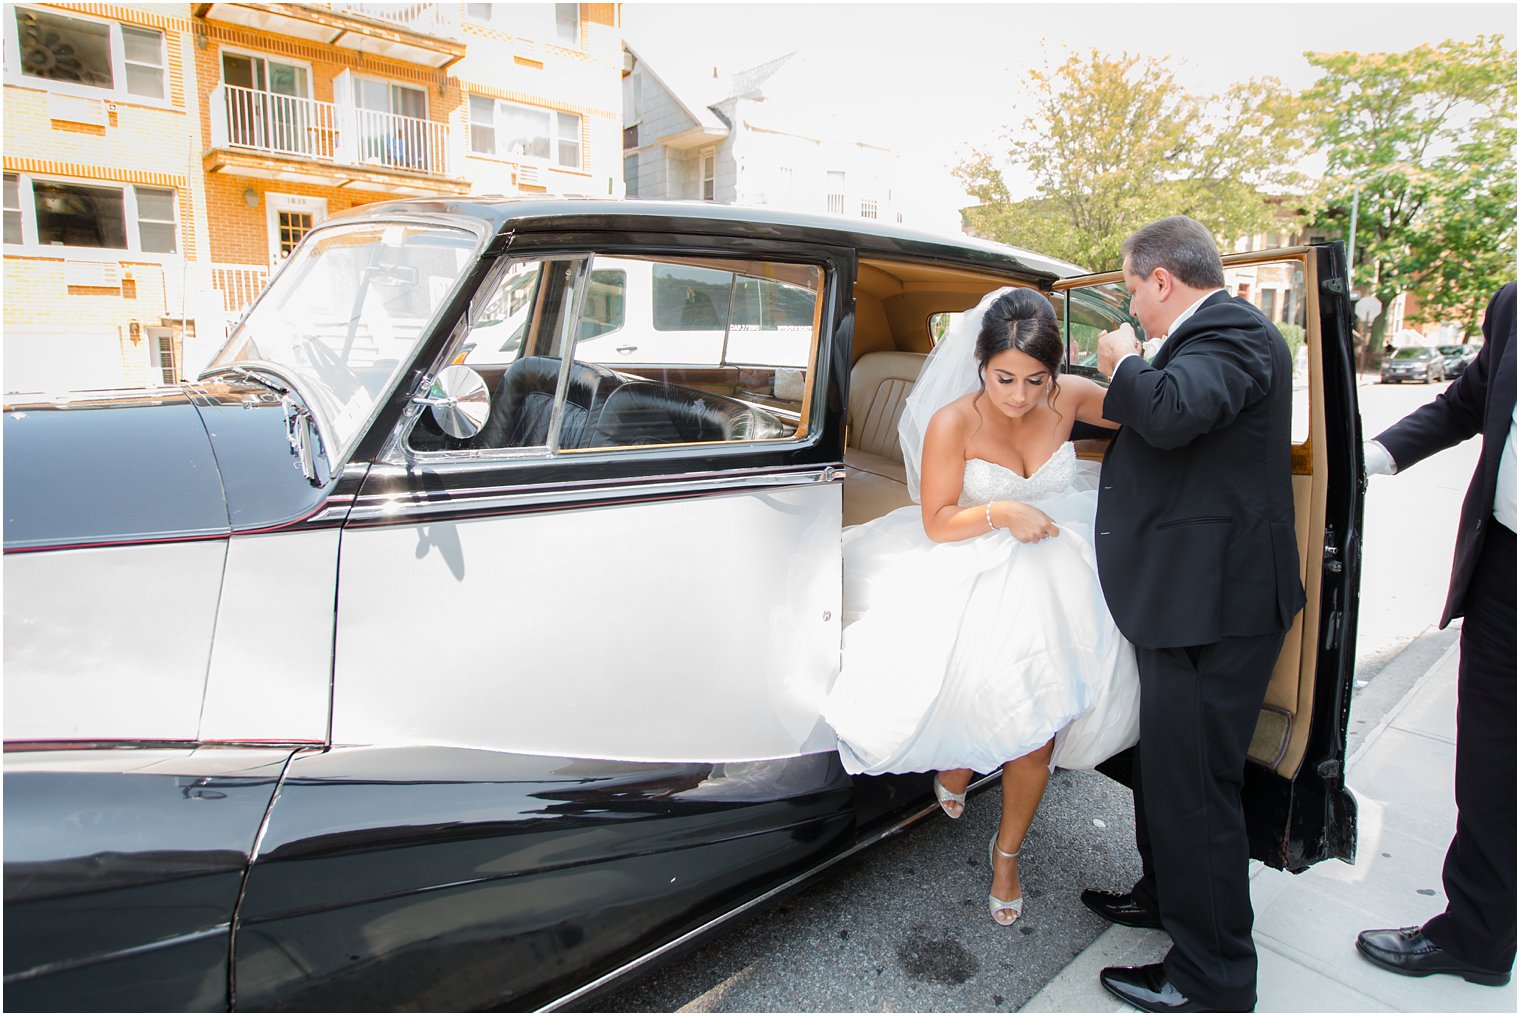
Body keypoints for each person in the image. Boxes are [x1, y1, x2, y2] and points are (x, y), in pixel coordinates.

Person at [824, 287, 1141, 928]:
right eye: (1004, 378)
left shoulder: (1074, 396)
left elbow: (1155, 413)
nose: (1020, 396)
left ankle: (1006, 854)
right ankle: (958, 761)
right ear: (980, 361)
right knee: (964, 685)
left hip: (1056, 575)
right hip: (972, 555)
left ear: (1055, 372)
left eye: (1035, 379)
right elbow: (938, 521)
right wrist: (1002, 510)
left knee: (1038, 724)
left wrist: (1137, 362)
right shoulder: (955, 421)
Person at [1083, 216, 1304, 1013]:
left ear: (1162, 280)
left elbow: (1172, 413)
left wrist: (1124, 363)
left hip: (1218, 606)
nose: (1132, 304)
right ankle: (1163, 895)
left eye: (1132, 287)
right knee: (1166, 769)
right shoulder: (1209, 336)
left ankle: (1213, 975)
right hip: (1190, 598)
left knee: (1197, 787)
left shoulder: (1235, 332)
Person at [1355, 280, 1516, 988]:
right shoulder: (1515, 303)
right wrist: (1368, 457)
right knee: (1492, 760)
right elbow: (1468, 404)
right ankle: (1478, 936)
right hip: (1507, 564)